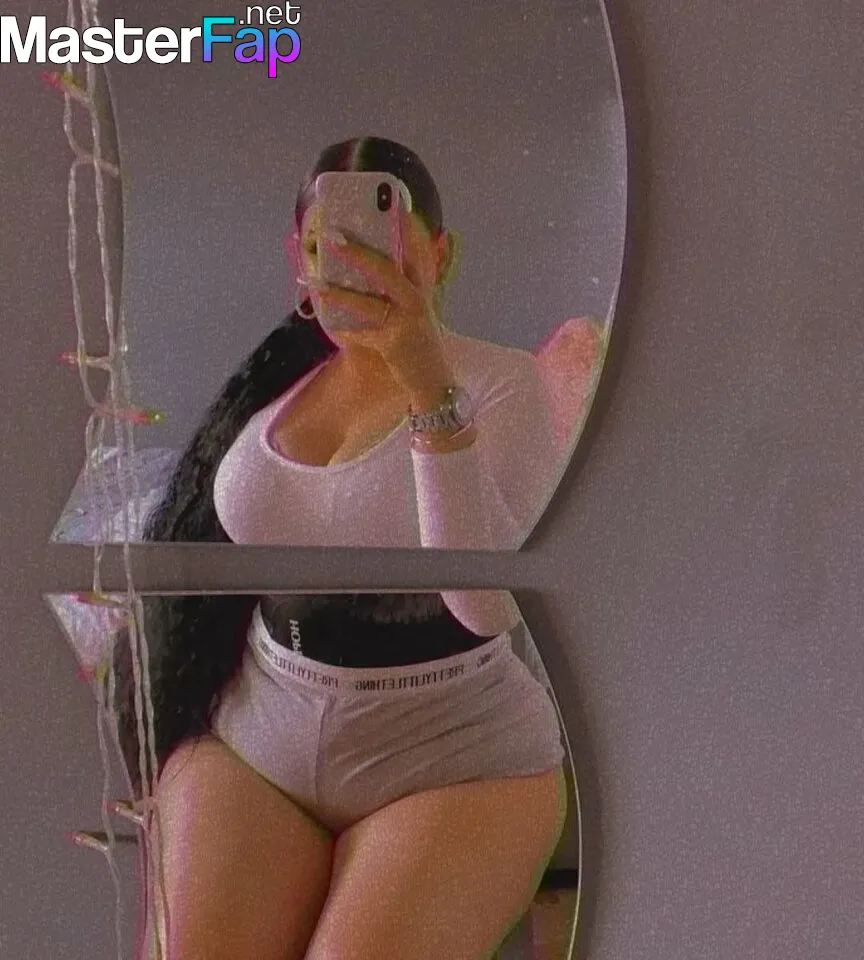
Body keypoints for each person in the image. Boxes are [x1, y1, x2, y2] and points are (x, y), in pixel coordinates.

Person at [114, 139, 568, 960]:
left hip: (455, 753)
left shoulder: (501, 385)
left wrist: (426, 384)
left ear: (439, 254)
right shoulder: (274, 384)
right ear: (300, 259)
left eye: (381, 244)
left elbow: (485, 603)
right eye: (330, 247)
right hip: (261, 735)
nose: (356, 267)